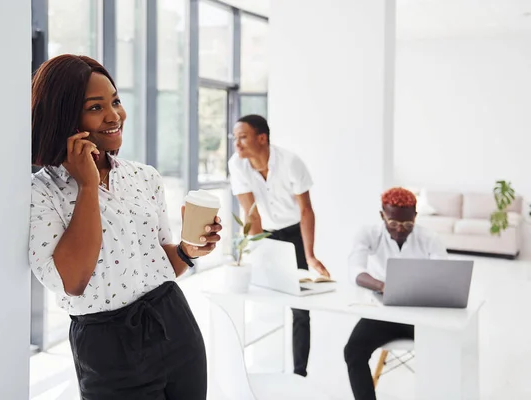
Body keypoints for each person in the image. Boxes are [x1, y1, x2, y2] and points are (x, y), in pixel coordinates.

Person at [29, 54, 222, 400]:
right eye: (95, 107)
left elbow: (161, 266)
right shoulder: (41, 192)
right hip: (107, 346)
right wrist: (87, 185)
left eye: (116, 101)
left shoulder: (143, 177)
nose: (114, 115)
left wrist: (187, 251)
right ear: (65, 115)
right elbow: (72, 281)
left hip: (174, 324)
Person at [228, 114, 330, 377]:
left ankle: (299, 373)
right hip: (267, 234)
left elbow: (306, 210)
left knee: (300, 306)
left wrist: (310, 255)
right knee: (264, 294)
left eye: (242, 137)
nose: (236, 144)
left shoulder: (290, 163)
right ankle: (257, 365)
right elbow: (251, 213)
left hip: (295, 232)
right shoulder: (237, 165)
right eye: (234, 138)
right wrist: (259, 252)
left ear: (262, 138)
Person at [344, 187, 448, 400]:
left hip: (421, 314)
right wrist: (383, 286)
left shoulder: (430, 238)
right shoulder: (368, 234)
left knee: (442, 352)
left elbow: (443, 275)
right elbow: (356, 272)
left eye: (408, 224)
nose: (400, 230)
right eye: (393, 223)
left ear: (416, 217)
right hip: (383, 312)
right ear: (382, 215)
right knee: (353, 351)